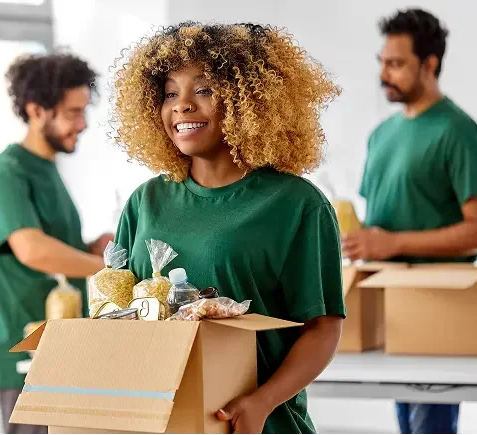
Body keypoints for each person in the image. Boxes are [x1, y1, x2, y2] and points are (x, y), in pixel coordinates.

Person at [110, 22, 345, 435]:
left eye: (202, 90)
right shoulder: (145, 203)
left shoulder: (297, 205)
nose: (181, 106)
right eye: (169, 92)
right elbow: (117, 314)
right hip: (161, 421)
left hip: (258, 424)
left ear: (247, 99)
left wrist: (261, 402)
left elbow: (323, 327)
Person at [342, 8, 477, 435]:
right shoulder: (381, 135)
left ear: (429, 65)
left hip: (440, 308)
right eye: (382, 61)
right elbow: (381, 220)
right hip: (385, 306)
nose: (384, 73)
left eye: (396, 64)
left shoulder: (460, 133)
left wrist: (390, 243)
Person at [0, 52, 113, 435]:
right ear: (37, 110)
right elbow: (33, 250)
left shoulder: (48, 170)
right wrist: (113, 270)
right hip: (29, 353)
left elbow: (55, 246)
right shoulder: (8, 172)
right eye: (72, 113)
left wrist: (89, 247)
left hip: (65, 345)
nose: (82, 124)